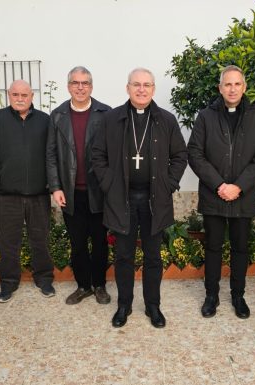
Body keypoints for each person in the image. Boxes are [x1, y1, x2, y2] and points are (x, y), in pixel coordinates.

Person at [92, 68, 187, 328]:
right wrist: (109, 184)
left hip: (154, 198)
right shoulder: (112, 119)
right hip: (121, 198)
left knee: (153, 256)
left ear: (153, 89)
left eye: (147, 85)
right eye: (136, 84)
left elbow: (180, 156)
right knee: (123, 256)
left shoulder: (166, 120)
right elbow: (97, 155)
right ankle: (124, 305)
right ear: (128, 88)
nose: (141, 89)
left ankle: (153, 306)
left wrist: (168, 184)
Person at [187, 65, 255, 319]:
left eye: (237, 84)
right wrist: (220, 185)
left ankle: (238, 295)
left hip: (243, 196)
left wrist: (239, 186)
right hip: (215, 194)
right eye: (227, 84)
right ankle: (211, 295)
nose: (232, 89)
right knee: (213, 247)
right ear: (220, 88)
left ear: (244, 87)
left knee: (240, 247)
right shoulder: (206, 116)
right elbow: (195, 153)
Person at [0, 80, 55, 303]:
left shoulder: (44, 121)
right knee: (8, 242)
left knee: (40, 239)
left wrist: (50, 182)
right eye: (15, 94)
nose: (20, 98)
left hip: (39, 194)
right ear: (9, 95)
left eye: (24, 94)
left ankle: (44, 279)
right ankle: (8, 283)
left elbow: (53, 151)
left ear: (32, 96)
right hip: (7, 194)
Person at [46, 66, 111, 305]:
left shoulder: (106, 113)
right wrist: (56, 187)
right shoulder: (58, 116)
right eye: (76, 83)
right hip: (71, 193)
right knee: (78, 244)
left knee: (100, 243)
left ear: (91, 87)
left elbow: (114, 154)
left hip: (99, 192)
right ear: (68, 86)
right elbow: (51, 155)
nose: (80, 87)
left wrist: (111, 187)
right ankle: (83, 286)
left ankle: (100, 285)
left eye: (85, 83)